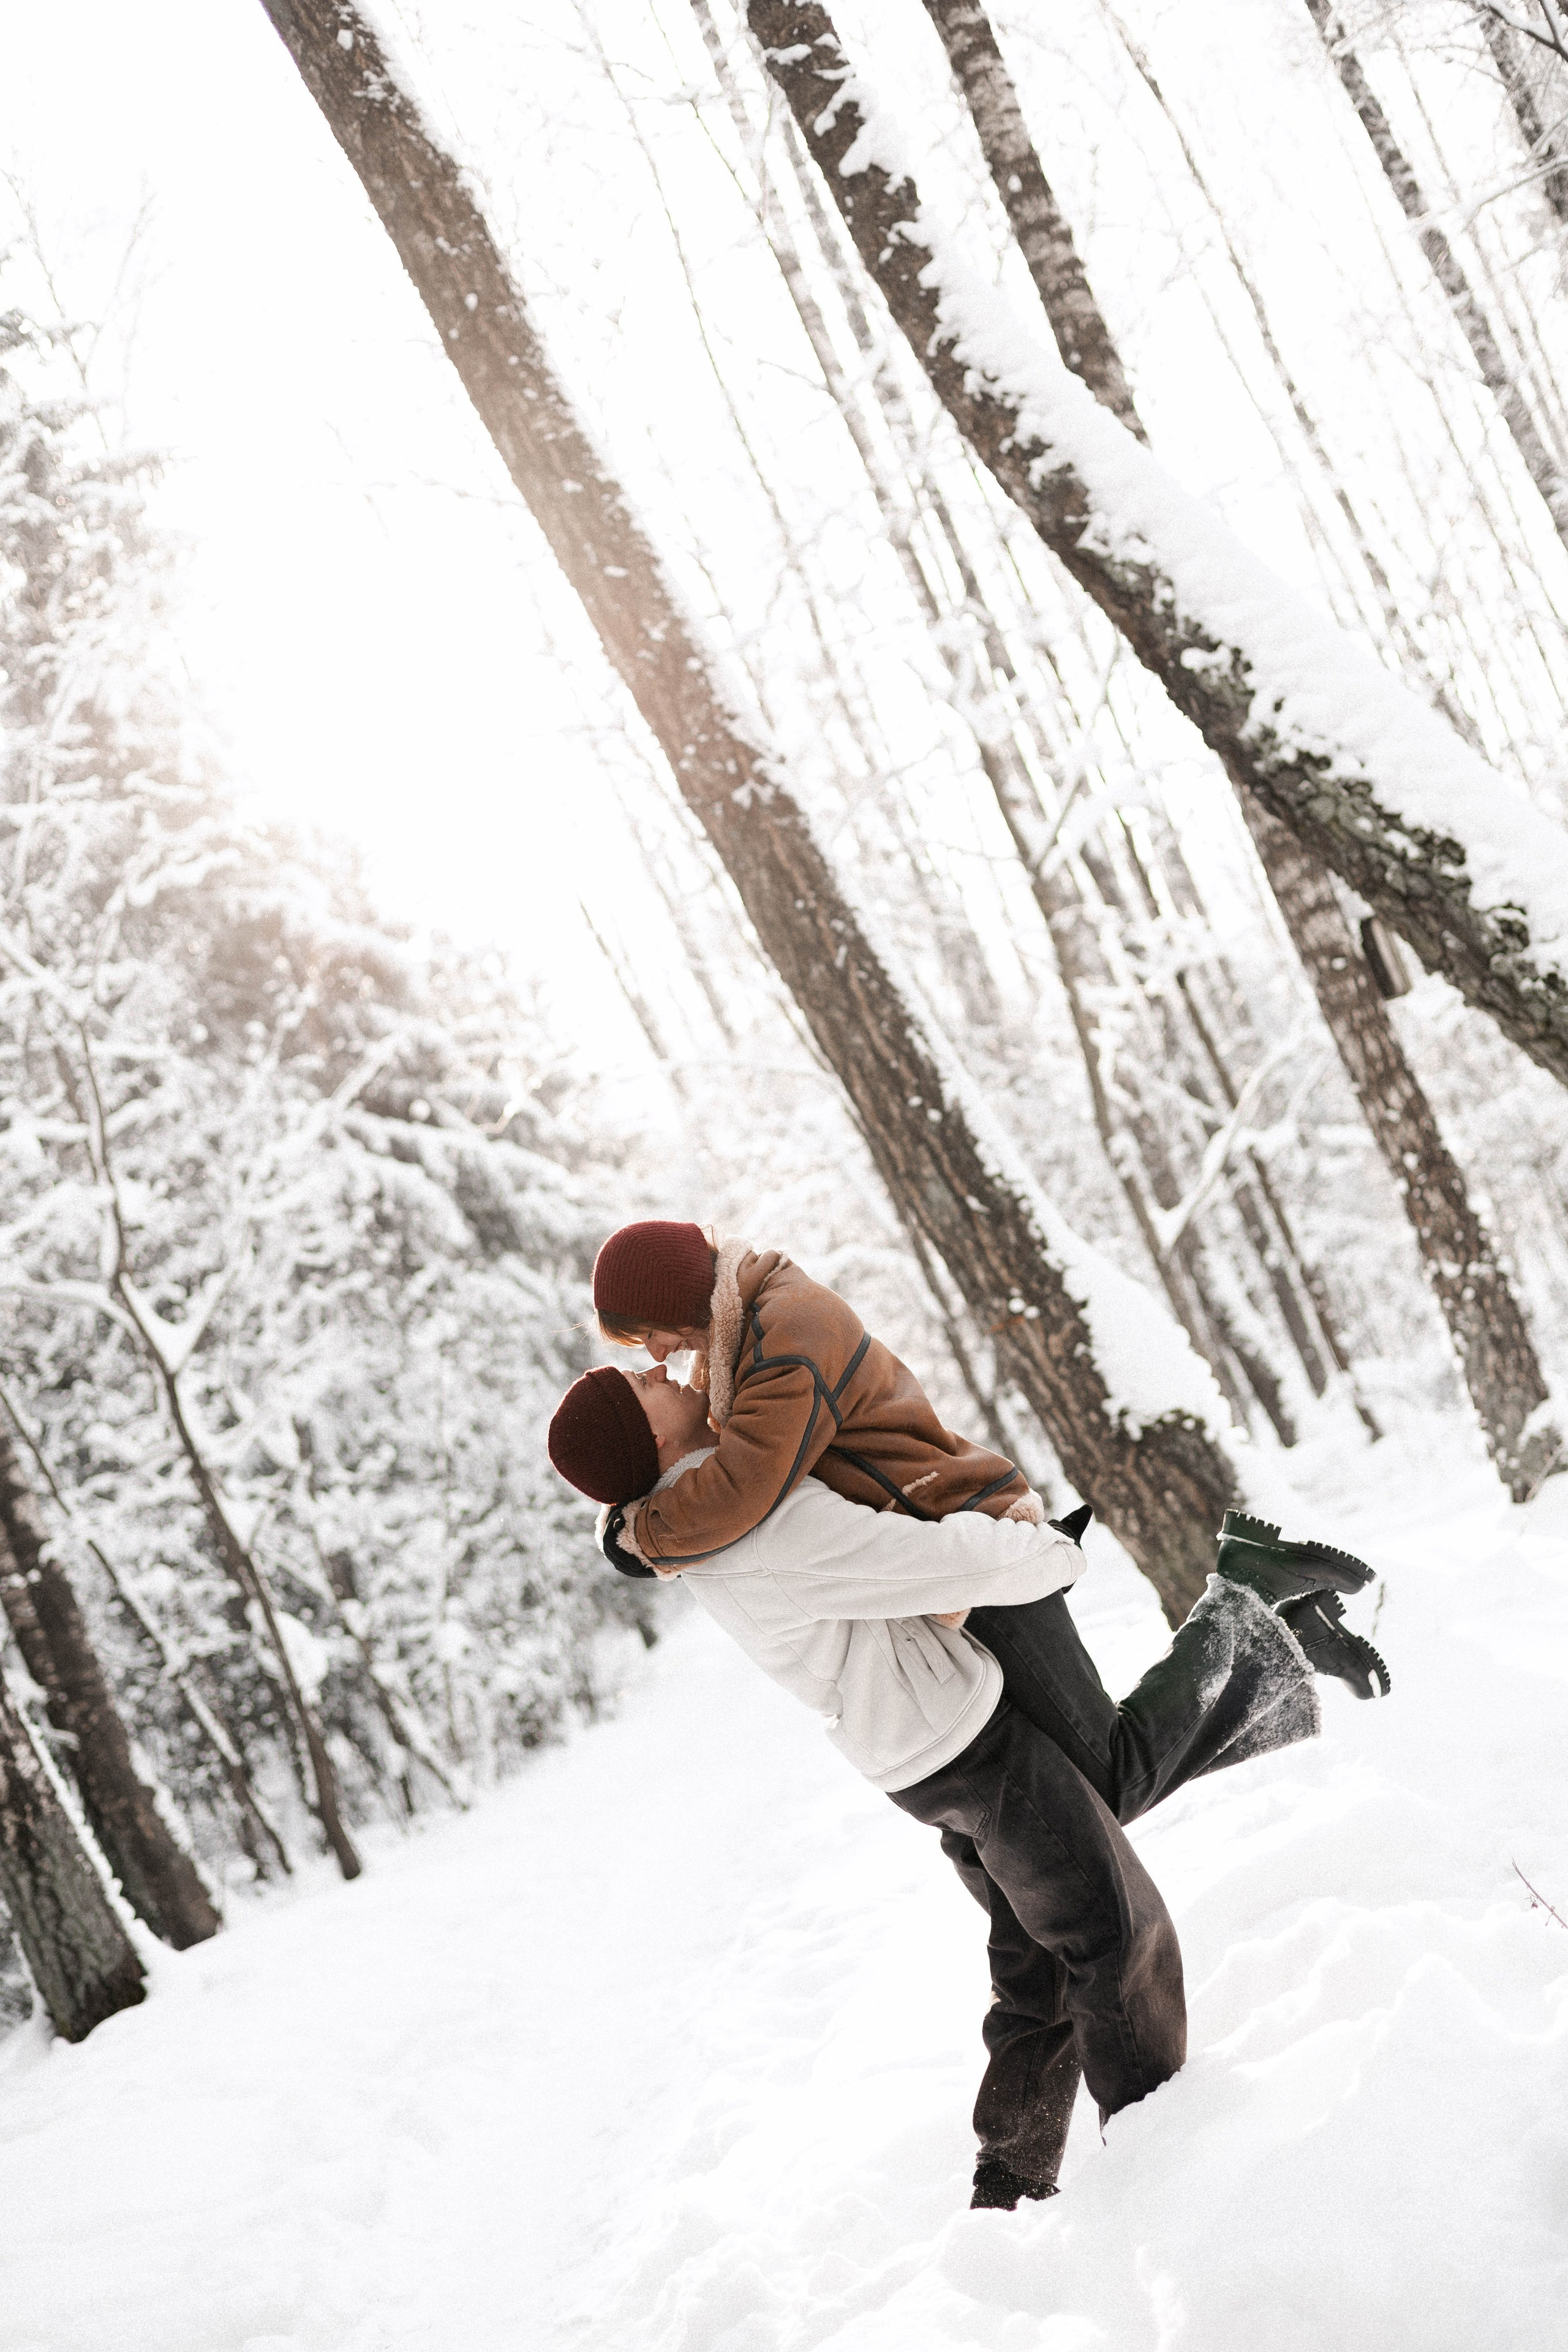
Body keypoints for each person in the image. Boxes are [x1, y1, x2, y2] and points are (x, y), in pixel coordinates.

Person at [547, 1351, 1389, 2209]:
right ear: (650, 1435)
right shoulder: (750, 1523)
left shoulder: (701, 1520)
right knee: (1111, 1932)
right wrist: (1046, 1556)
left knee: (1039, 1960)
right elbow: (918, 1562)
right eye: (644, 1381)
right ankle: (1170, 2167)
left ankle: (1010, 2192)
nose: (663, 1367)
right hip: (964, 1744)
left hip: (922, 1748)